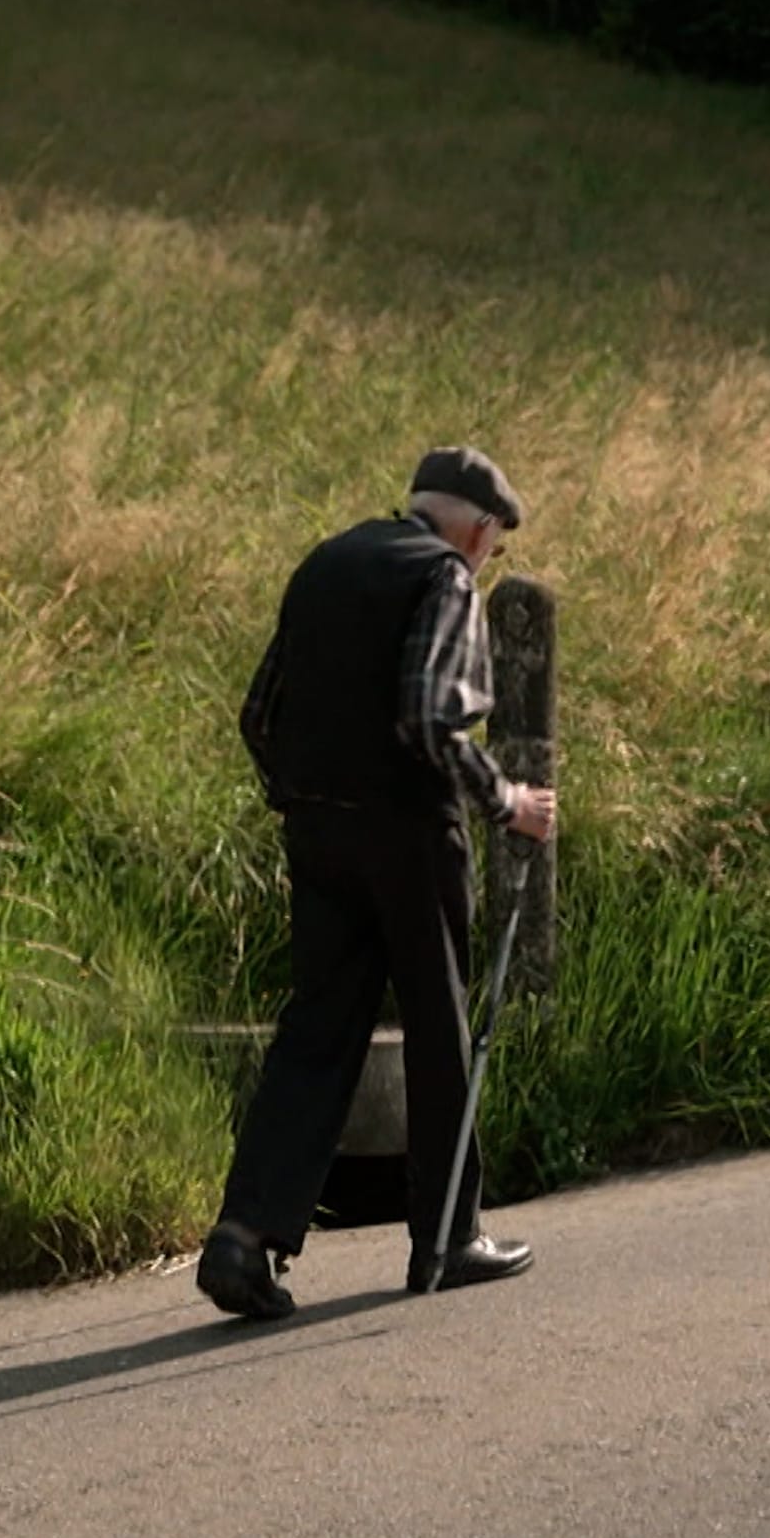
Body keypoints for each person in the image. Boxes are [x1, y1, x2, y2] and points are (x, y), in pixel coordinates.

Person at [197, 446, 556, 1320]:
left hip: (315, 829)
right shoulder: (445, 578)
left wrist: (301, 796)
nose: (486, 561)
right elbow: (430, 719)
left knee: (317, 1026)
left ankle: (244, 1237)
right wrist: (506, 801)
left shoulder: (326, 561)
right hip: (406, 832)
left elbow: (258, 711)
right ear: (476, 528)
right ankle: (447, 1236)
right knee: (438, 1022)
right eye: (493, 546)